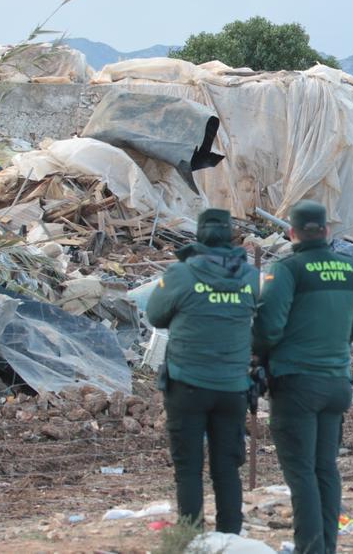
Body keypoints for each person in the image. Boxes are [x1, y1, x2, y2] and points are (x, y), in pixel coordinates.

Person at [255, 200, 353, 554]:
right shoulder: (351, 269)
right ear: (326, 231)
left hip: (297, 383)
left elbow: (268, 326)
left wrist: (261, 353)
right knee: (326, 469)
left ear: (291, 232)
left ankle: (311, 549)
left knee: (301, 473)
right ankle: (327, 548)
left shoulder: (288, 269)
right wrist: (332, 341)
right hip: (337, 382)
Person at [147, 209, 258, 533]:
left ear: (198, 234)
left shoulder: (180, 274)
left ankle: (191, 537)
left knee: (188, 468)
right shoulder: (250, 277)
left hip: (187, 383)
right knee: (227, 467)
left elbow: (155, 315)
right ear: (230, 234)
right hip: (233, 386)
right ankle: (230, 537)